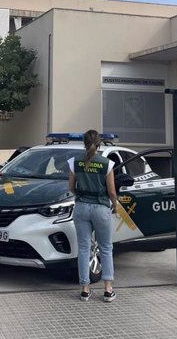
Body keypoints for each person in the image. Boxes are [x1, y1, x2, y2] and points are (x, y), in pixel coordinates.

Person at [67, 129, 119, 302]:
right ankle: (108, 290)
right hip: (100, 208)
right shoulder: (107, 164)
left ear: (84, 143)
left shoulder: (74, 162)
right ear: (99, 144)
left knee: (83, 248)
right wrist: (116, 206)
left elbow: (71, 187)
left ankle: (84, 290)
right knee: (106, 248)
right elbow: (111, 191)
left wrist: (80, 195)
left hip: (81, 207)